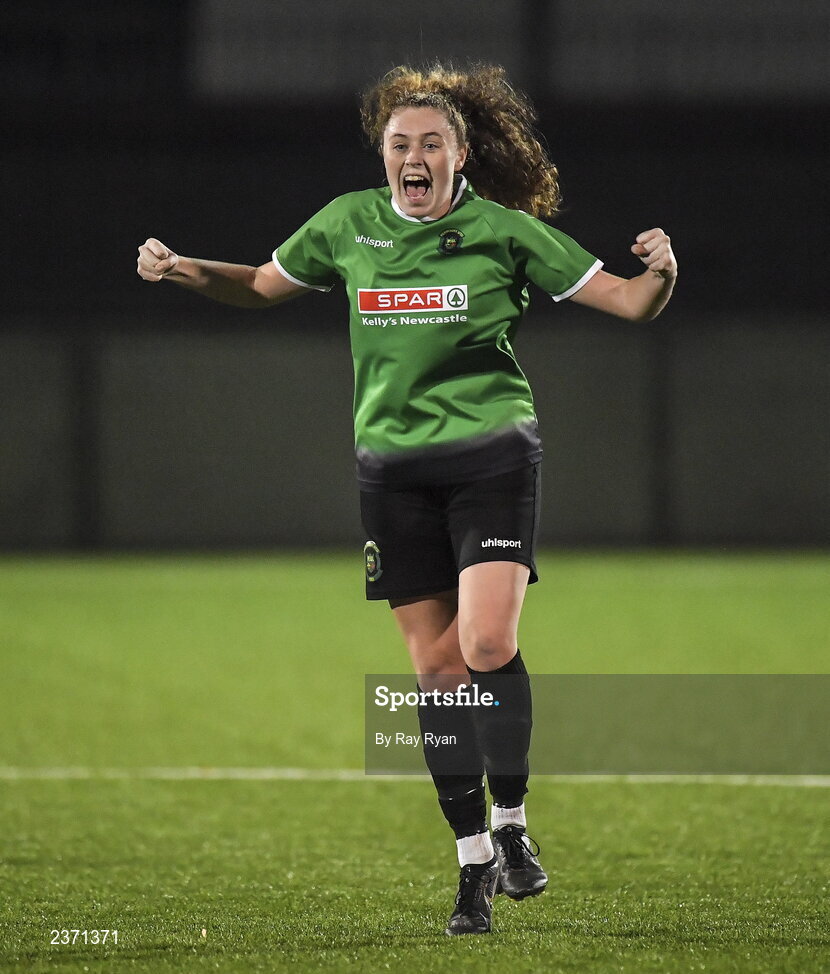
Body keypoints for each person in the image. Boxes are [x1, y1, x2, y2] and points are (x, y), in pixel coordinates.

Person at [137, 62, 677, 936]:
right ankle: (472, 867)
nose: (415, 155)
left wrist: (664, 271)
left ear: (462, 155)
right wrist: (182, 269)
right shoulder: (348, 225)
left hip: (493, 456)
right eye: (401, 144)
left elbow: (628, 300)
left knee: (488, 641)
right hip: (393, 472)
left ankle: (512, 823)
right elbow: (262, 287)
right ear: (384, 157)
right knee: (436, 673)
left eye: (432, 142)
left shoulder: (503, 232)